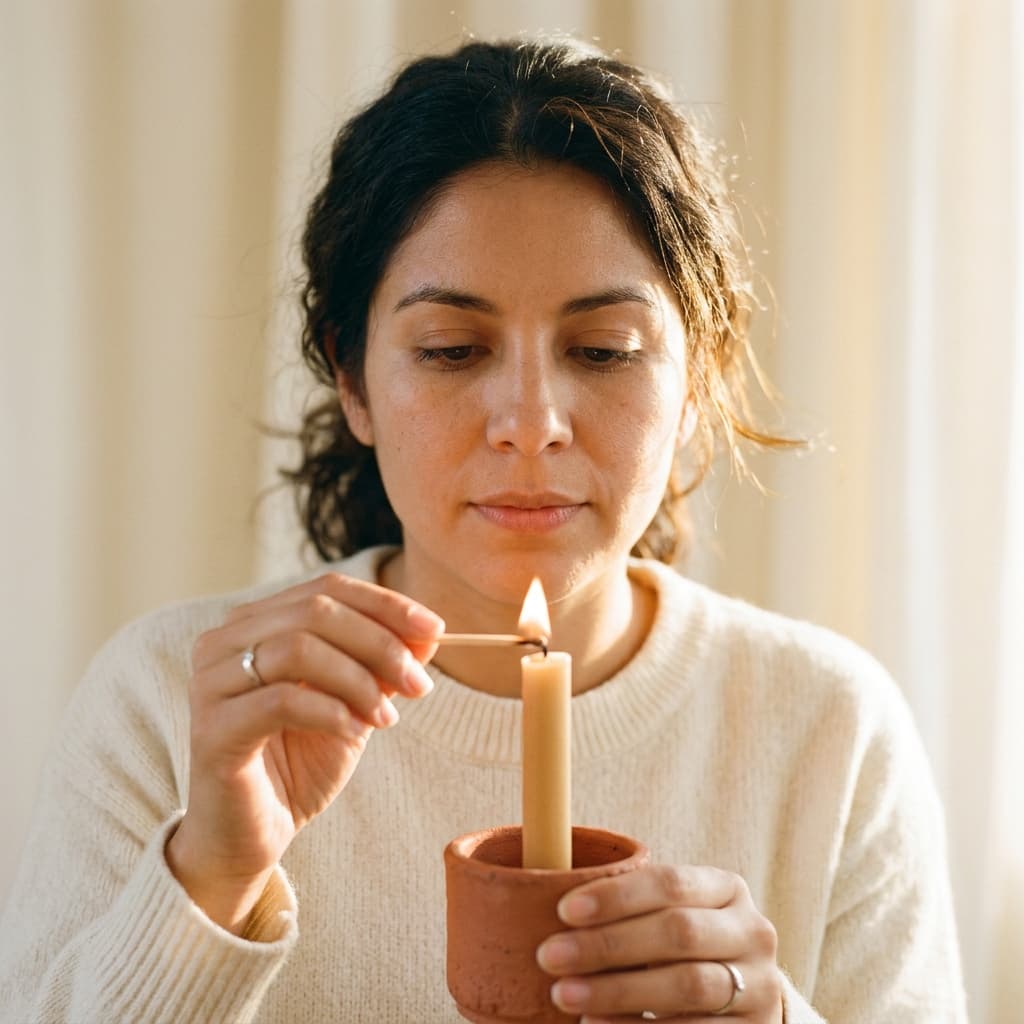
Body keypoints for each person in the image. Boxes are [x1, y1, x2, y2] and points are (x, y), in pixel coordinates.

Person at [0, 36, 966, 1024]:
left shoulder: (825, 729)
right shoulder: (175, 704)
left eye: (603, 349)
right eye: (453, 348)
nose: (530, 420)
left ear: (698, 380)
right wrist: (210, 874)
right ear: (352, 379)